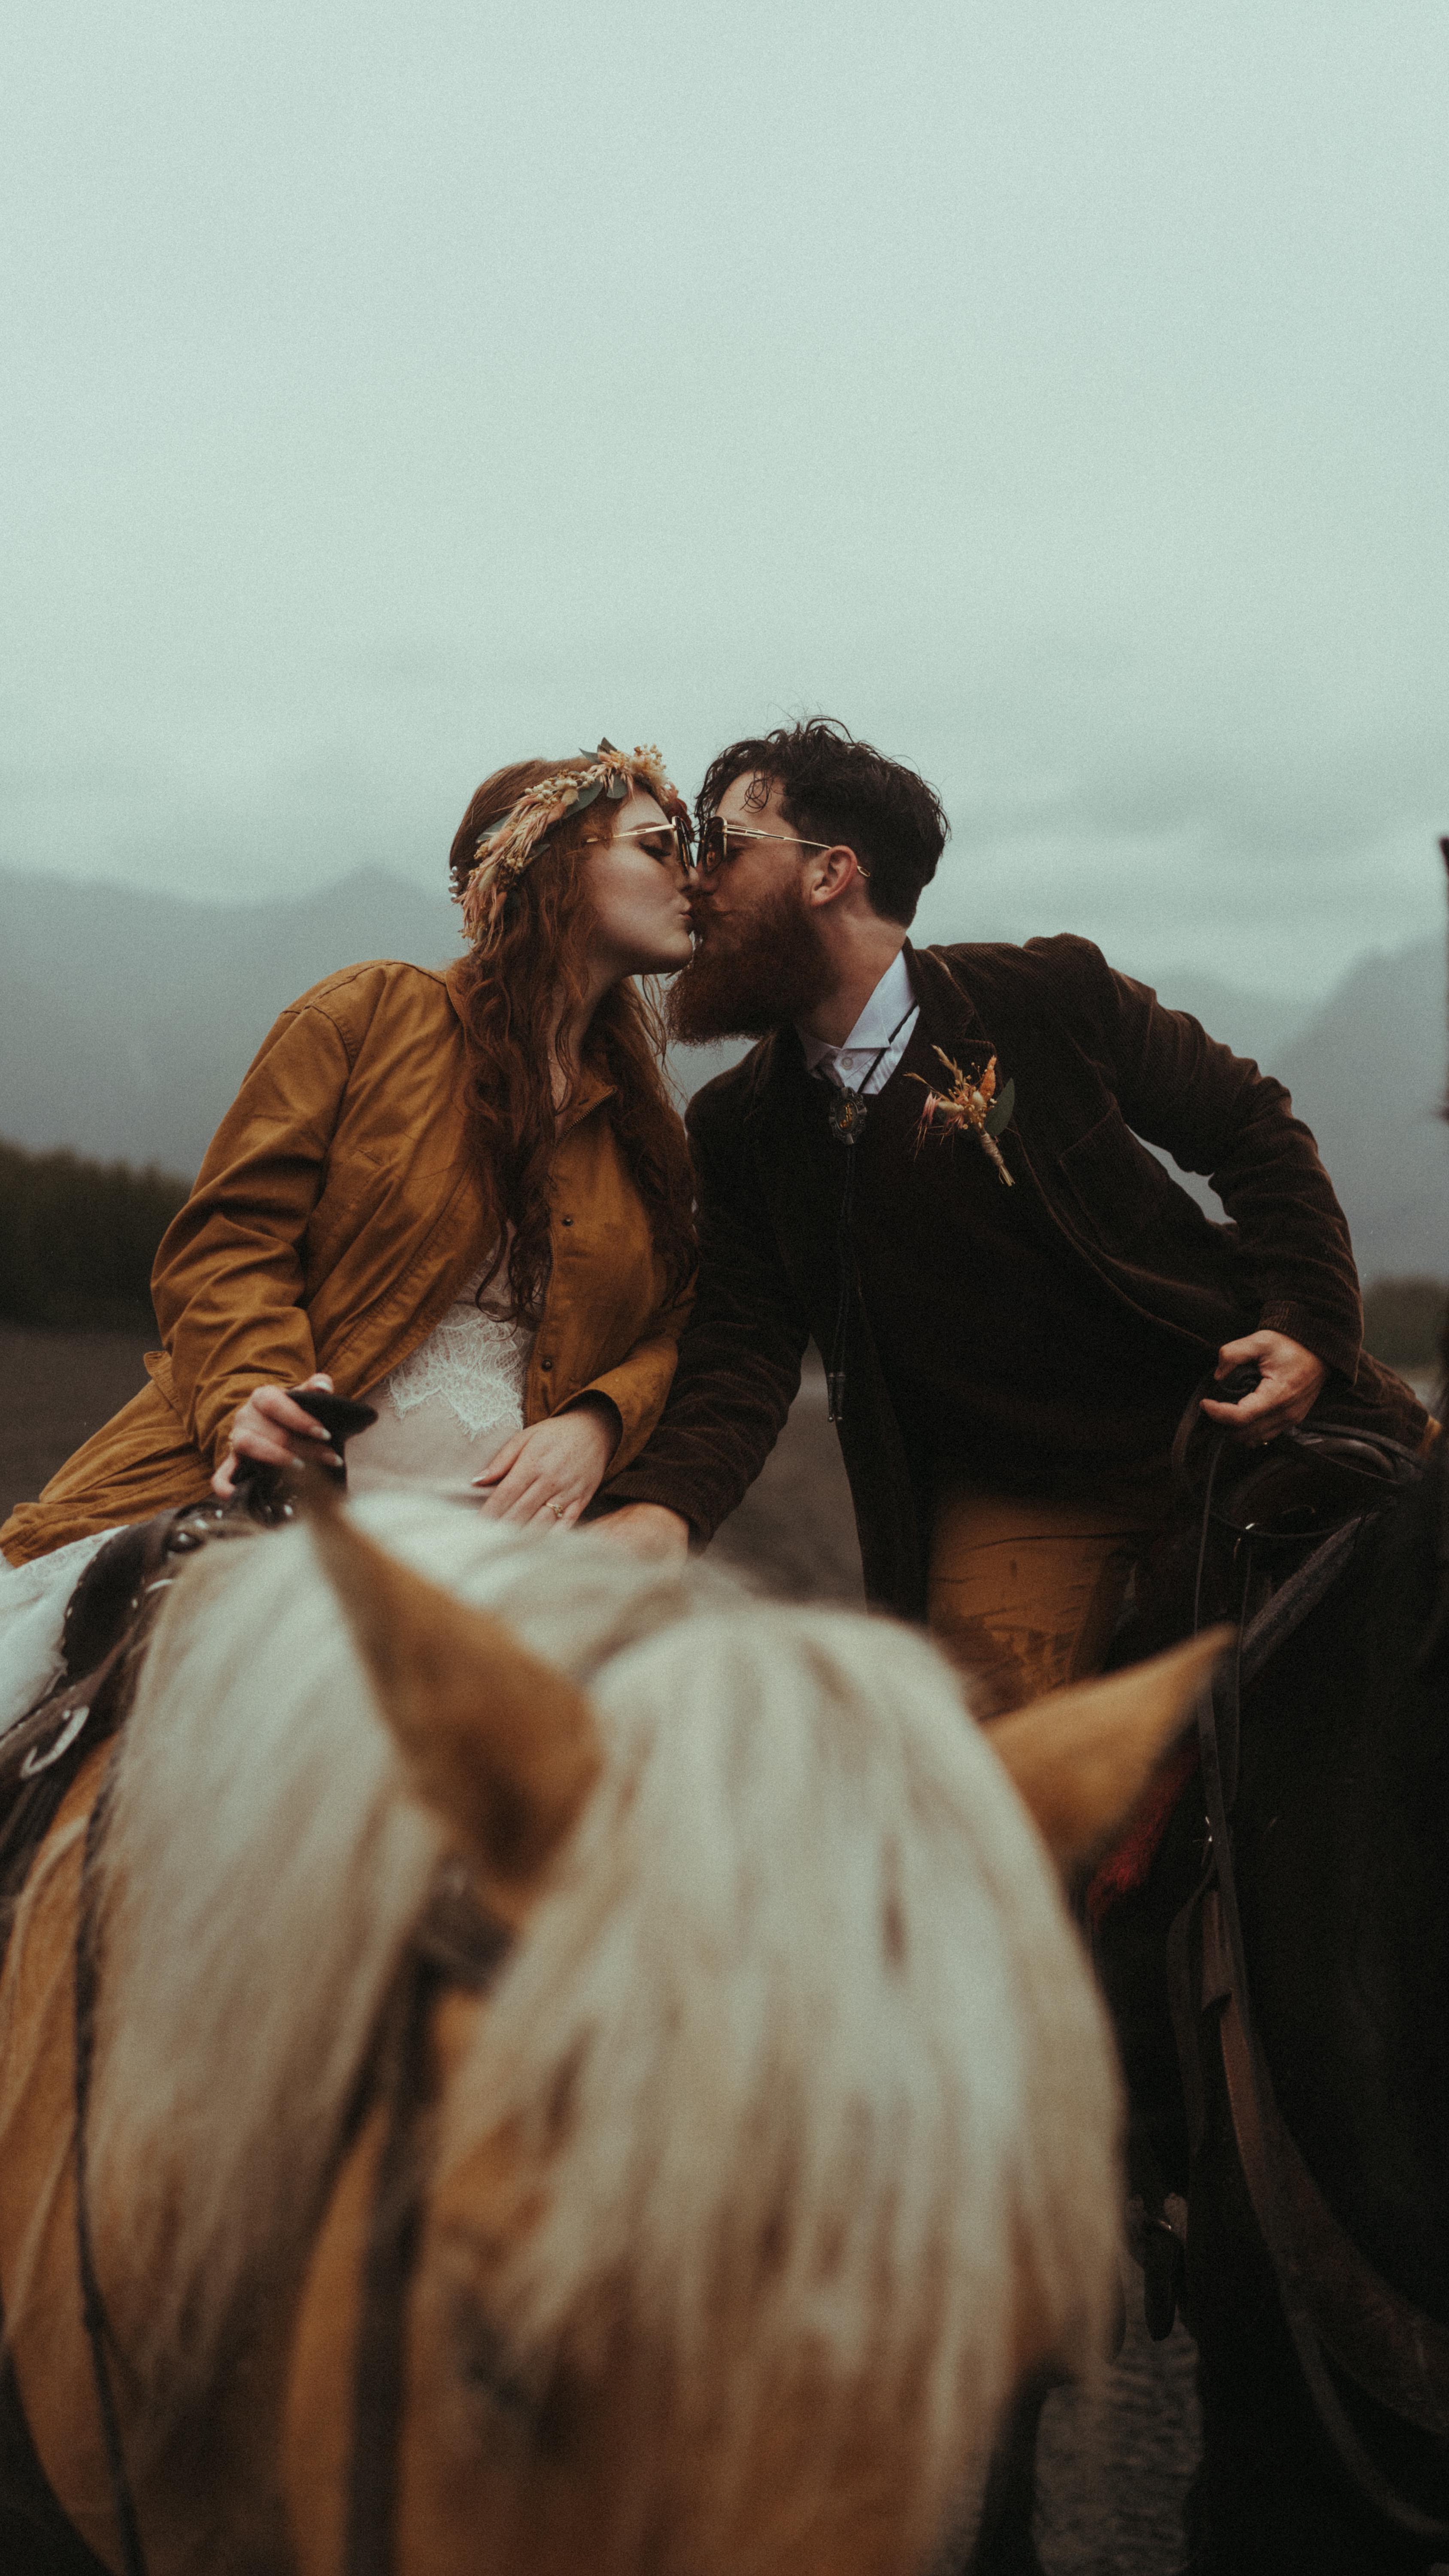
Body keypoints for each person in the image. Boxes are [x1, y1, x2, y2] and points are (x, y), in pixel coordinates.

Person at [597, 717, 1427, 1713]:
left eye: (725, 847)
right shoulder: (740, 1128)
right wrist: (663, 1510)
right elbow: (741, 1352)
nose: (697, 880)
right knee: (991, 1795)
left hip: (1227, 1416)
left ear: (830, 875)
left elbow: (1248, 1124)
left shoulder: (1046, 998)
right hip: (1018, 1499)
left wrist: (1308, 1323)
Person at [0, 740, 697, 1716]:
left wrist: (598, 1418)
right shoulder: (366, 1015)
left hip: (505, 1555)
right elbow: (230, 1242)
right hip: (274, 1504)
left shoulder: (642, 1124)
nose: (690, 876)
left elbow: (678, 1319)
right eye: (661, 846)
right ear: (550, 863)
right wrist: (253, 1392)